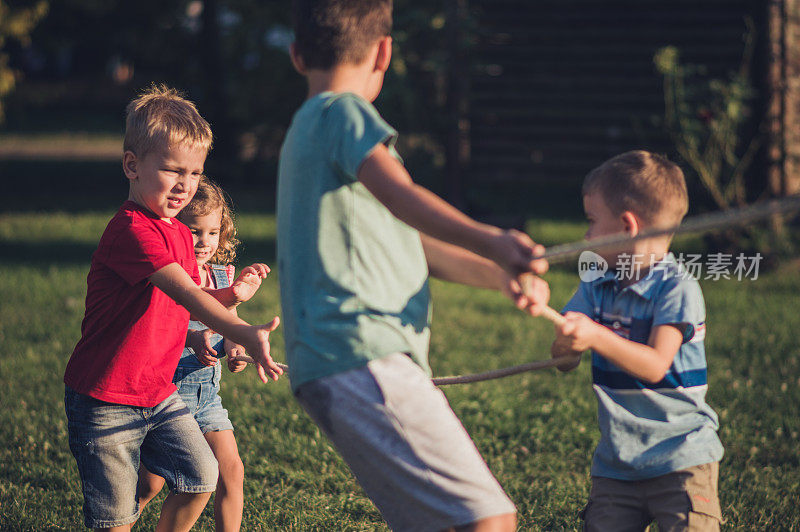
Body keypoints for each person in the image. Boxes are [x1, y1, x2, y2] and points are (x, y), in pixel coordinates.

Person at [277, 1, 550, 530]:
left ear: (296, 55)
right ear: (385, 51)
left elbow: (412, 242)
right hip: (361, 353)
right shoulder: (342, 113)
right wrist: (490, 238)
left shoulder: (306, 133)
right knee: (489, 520)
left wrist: (499, 275)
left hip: (334, 362)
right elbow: (402, 196)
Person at [64, 85, 282, 532]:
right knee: (115, 520)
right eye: (171, 169)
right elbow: (186, 293)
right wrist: (243, 331)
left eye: (195, 172)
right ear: (132, 166)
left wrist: (230, 309)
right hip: (107, 396)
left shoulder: (181, 235)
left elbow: (189, 303)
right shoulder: (132, 231)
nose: (185, 184)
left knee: (202, 477)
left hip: (157, 391)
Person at [551, 150, 724, 531]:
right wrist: (566, 339)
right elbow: (563, 362)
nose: (586, 235)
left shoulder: (677, 288)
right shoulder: (597, 283)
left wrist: (596, 334)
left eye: (592, 221)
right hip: (617, 465)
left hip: (682, 458)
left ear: (628, 226)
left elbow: (655, 364)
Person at [136, 177, 264, 531]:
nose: (204, 242)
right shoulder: (169, 276)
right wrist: (191, 341)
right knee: (149, 484)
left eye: (212, 232)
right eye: (194, 231)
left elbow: (228, 326)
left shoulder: (223, 276)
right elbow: (155, 332)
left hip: (206, 397)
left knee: (232, 471)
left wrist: (236, 349)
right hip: (165, 397)